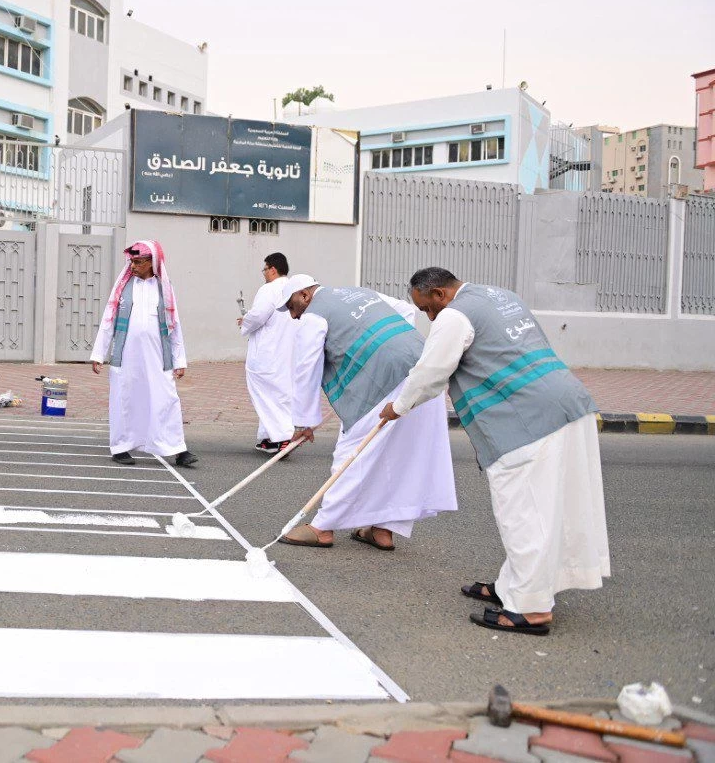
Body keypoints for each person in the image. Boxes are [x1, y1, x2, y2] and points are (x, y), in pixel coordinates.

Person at [378, 267, 609, 636]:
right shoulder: (500, 295)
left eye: (427, 309)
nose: (428, 317)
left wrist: (398, 407)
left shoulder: (454, 315)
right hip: (568, 403)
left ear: (439, 294)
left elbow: (431, 372)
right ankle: (513, 588)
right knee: (550, 508)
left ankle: (531, 611)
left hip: (526, 419)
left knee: (525, 512)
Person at [279, 275, 456, 551]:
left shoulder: (314, 316)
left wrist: (304, 422)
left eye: (291, 307)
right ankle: (383, 529)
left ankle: (323, 527)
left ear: (304, 295)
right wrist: (394, 348)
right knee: (403, 453)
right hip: (424, 369)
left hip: (382, 381)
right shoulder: (360, 293)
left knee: (352, 452)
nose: (292, 316)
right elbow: (406, 310)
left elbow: (305, 370)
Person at [90, 241, 197, 468]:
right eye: (132, 261)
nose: (133, 266)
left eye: (138, 261)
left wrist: (180, 360)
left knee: (167, 398)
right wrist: (99, 353)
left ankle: (177, 449)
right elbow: (109, 319)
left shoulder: (164, 288)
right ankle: (120, 447)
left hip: (158, 356)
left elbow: (174, 325)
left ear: (152, 263)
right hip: (126, 356)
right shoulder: (123, 286)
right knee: (125, 398)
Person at [239, 252, 298, 454]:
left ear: (273, 269)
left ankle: (283, 436)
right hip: (287, 350)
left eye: (264, 269)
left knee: (264, 394)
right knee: (280, 393)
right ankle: (269, 437)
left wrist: (245, 320)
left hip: (267, 352)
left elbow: (259, 315)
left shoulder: (269, 289)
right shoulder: (293, 289)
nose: (263, 273)